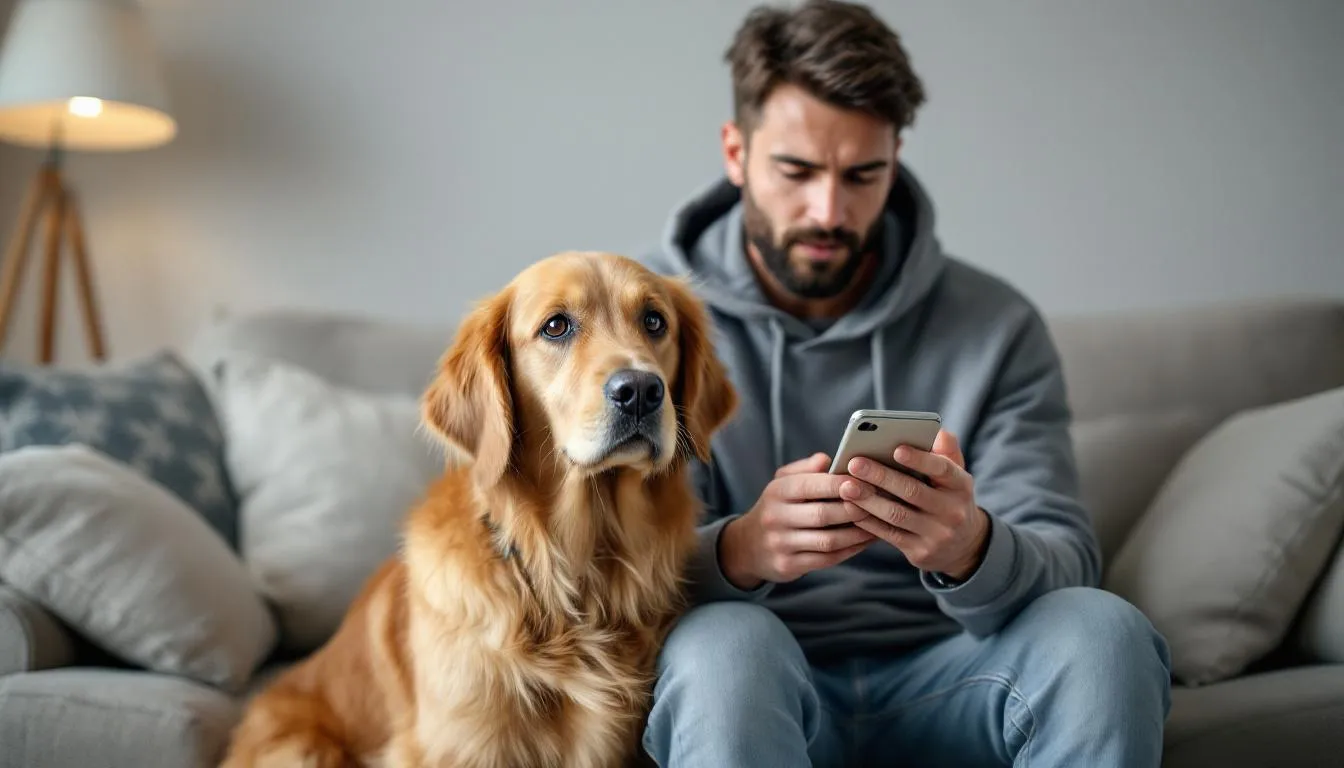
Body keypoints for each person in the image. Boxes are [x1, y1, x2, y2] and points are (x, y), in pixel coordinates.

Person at [634, 1, 1173, 766]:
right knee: (724, 648)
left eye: (863, 175)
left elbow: (1067, 558)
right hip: (758, 679)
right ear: (735, 152)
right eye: (796, 171)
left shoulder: (997, 326)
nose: (829, 211)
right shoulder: (644, 323)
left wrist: (972, 546)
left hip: (960, 674)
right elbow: (599, 567)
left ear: (897, 157)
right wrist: (742, 550)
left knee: (1103, 630)